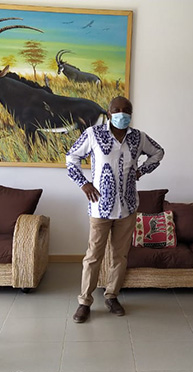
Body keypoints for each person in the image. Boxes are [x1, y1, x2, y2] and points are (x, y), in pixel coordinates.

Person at [66, 96, 164, 323]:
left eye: (126, 110)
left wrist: (142, 170)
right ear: (109, 113)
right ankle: (84, 302)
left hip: (128, 206)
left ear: (131, 113)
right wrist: (84, 183)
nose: (122, 113)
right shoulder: (93, 134)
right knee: (93, 256)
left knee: (120, 256)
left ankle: (111, 296)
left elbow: (158, 152)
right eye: (116, 109)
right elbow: (71, 158)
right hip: (100, 207)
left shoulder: (138, 138)